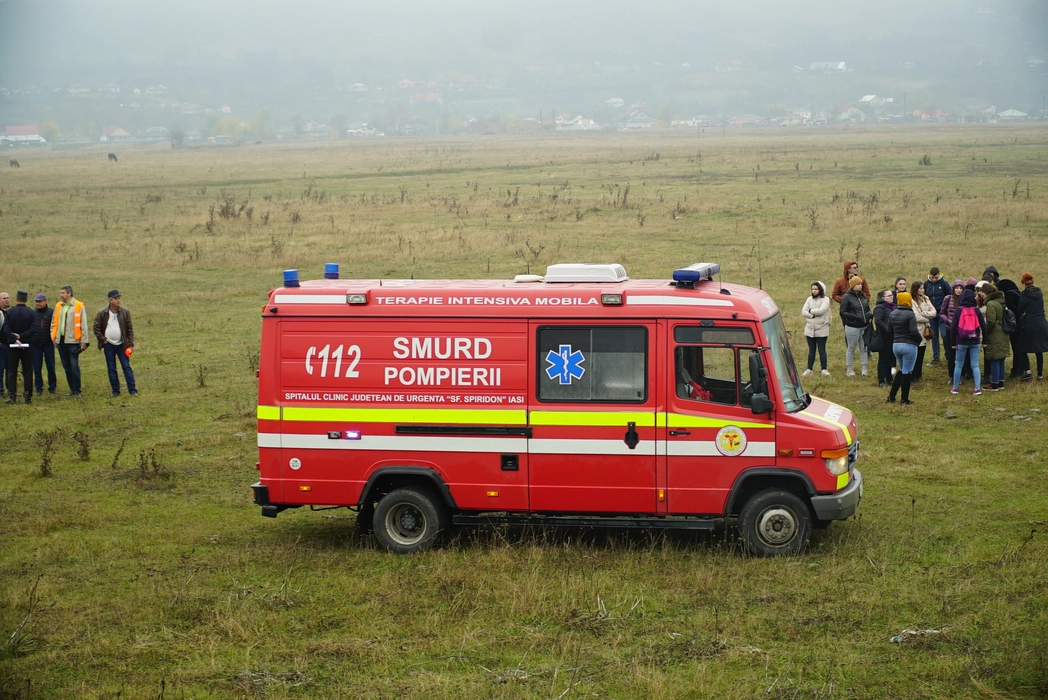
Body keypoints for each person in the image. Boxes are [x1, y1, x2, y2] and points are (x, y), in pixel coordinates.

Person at [93, 290, 137, 397]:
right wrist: (103, 340)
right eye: (116, 298)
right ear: (110, 300)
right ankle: (115, 391)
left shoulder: (125, 312)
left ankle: (132, 390)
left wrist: (131, 344)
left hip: (122, 345)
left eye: (119, 298)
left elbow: (129, 329)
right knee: (111, 368)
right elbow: (96, 328)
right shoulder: (102, 313)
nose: (118, 300)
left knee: (126, 366)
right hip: (108, 345)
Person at [51, 285, 89, 397]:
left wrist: (84, 341)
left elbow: (83, 324)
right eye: (61, 293)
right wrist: (54, 338)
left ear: (69, 293)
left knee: (74, 366)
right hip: (61, 341)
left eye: (63, 293)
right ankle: (72, 389)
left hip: (73, 341)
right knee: (66, 367)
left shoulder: (79, 306)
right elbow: (54, 323)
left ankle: (77, 390)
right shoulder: (58, 306)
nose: (61, 295)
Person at [951, 288, 987, 395]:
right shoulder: (977, 310)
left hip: (961, 341)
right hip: (975, 341)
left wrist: (953, 343)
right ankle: (977, 388)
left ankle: (955, 388)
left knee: (958, 365)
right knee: (975, 365)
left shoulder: (958, 310)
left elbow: (953, 328)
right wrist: (985, 341)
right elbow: (984, 327)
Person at [887, 292, 922, 404]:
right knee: (907, 372)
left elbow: (889, 330)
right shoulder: (910, 314)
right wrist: (919, 340)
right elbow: (914, 331)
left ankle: (891, 396)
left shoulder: (893, 313)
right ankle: (904, 399)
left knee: (902, 370)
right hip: (908, 345)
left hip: (896, 345)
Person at [3, 291, 36, 404]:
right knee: (27, 371)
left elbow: (6, 328)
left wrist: (14, 338)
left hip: (12, 346)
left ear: (16, 298)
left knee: (12, 371)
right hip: (27, 345)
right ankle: (28, 396)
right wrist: (21, 336)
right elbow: (33, 329)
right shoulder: (31, 312)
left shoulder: (10, 312)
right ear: (26, 299)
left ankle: (12, 396)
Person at [1016, 273, 1048, 382]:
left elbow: (1020, 310)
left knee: (1021, 347)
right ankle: (1040, 375)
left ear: (1023, 283)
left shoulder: (1024, 295)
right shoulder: (1039, 293)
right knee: (1039, 349)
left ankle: (1028, 371)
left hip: (1029, 324)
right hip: (1042, 323)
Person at [839, 276, 871, 377]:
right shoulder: (846, 297)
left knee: (864, 348)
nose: (860, 286)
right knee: (851, 348)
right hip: (852, 327)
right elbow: (842, 312)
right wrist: (855, 317)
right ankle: (849, 369)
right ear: (852, 285)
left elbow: (867, 308)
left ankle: (864, 368)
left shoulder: (863, 296)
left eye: (861, 284)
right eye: (858, 284)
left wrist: (869, 315)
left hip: (864, 326)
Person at [981, 283, 1010, 391]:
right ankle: (1001, 382)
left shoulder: (991, 304)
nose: (981, 296)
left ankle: (994, 384)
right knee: (1001, 358)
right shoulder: (1001, 301)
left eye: (982, 294)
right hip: (1003, 333)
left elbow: (991, 321)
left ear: (986, 293)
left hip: (995, 334)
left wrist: (985, 331)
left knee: (994, 359)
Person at [801, 281, 831, 376]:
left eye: (816, 289)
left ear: (820, 290)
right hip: (810, 329)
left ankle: (824, 369)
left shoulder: (825, 299)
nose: (814, 291)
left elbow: (821, 311)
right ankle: (809, 369)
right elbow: (803, 312)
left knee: (822, 350)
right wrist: (812, 315)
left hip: (822, 329)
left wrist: (810, 311)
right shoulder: (809, 299)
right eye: (813, 289)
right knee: (811, 350)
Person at [30, 293, 57, 396]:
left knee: (51, 366)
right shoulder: (33, 313)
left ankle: (52, 387)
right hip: (36, 344)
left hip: (48, 343)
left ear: (45, 301)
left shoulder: (51, 312)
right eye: (36, 301)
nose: (38, 303)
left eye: (40, 301)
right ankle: (38, 387)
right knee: (37, 367)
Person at [910, 281, 936, 382]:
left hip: (925, 330)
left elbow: (934, 312)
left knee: (921, 354)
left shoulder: (926, 299)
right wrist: (927, 318)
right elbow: (916, 317)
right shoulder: (912, 301)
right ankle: (913, 376)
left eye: (923, 288)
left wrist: (923, 313)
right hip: (917, 330)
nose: (923, 290)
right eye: (921, 288)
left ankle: (918, 375)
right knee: (915, 355)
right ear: (916, 290)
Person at [924, 267, 951, 365]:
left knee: (945, 335)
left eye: (936, 277)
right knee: (934, 336)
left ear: (939, 275)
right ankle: (936, 358)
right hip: (931, 314)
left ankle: (948, 355)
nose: (934, 279)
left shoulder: (944, 284)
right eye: (932, 277)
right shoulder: (926, 284)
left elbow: (950, 297)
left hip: (942, 314)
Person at [939, 279, 964, 382]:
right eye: (957, 288)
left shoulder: (964, 299)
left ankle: (962, 375)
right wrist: (948, 321)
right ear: (953, 289)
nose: (959, 290)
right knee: (951, 353)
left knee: (962, 353)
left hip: (962, 330)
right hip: (950, 329)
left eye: (960, 288)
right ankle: (951, 376)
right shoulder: (948, 298)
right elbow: (942, 313)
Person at [873, 289, 895, 387]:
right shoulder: (880, 307)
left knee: (890, 359)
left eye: (892, 295)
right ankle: (881, 380)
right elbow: (878, 321)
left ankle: (889, 378)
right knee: (883, 359)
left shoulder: (892, 307)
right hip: (884, 337)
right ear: (883, 298)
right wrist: (887, 329)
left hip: (892, 336)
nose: (892, 297)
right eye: (889, 296)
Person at [0, 291, 9, 398]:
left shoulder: (11, 312)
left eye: (7, 298)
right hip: (1, 344)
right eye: (4, 298)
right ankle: (0, 390)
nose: (7, 300)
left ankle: (10, 389)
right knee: (0, 369)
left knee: (10, 369)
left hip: (10, 345)